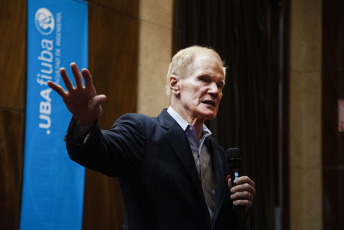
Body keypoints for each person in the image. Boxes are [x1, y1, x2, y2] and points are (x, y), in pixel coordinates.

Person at [47, 46, 256, 230]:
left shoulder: (218, 153)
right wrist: (84, 122)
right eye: (204, 79)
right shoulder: (141, 131)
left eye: (220, 85)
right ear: (175, 84)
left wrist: (243, 210)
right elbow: (97, 152)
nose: (214, 91)